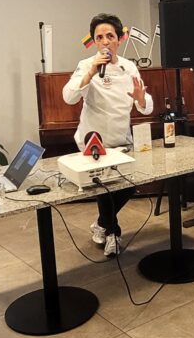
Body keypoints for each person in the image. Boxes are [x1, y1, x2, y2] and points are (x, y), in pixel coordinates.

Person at [63, 13, 151, 256]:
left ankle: (101, 224)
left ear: (119, 39)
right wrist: (91, 72)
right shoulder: (86, 65)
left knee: (130, 186)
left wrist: (141, 99)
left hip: (121, 140)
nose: (104, 42)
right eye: (99, 37)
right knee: (104, 188)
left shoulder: (129, 67)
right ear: (94, 41)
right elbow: (69, 97)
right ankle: (113, 234)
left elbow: (145, 105)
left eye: (109, 36)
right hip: (94, 142)